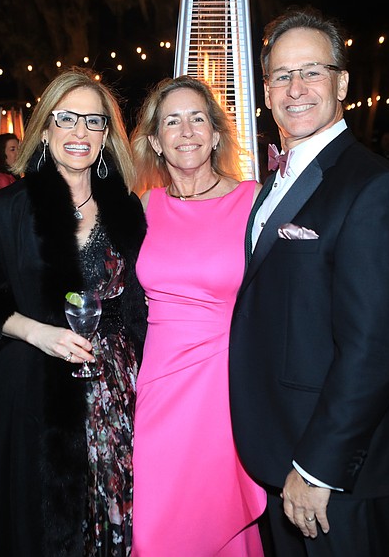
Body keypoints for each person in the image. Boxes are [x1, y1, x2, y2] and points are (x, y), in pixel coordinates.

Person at [228, 7, 389, 556]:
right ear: (265, 92)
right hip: (278, 446)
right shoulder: (272, 182)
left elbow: (376, 349)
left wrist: (317, 468)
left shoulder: (374, 189)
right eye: (282, 76)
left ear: (341, 81)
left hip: (337, 470)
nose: (296, 89)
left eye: (312, 72)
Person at [0, 68, 147, 556]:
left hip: (119, 388)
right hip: (35, 385)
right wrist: (37, 332)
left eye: (93, 121)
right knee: (43, 519)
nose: (79, 133)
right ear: (45, 128)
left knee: (118, 505)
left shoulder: (129, 209)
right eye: (66, 118)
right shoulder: (7, 208)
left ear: (107, 135)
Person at [129, 75, 266, 555]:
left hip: (224, 387)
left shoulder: (252, 202)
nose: (186, 131)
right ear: (155, 141)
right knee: (152, 528)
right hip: (159, 384)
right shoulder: (145, 206)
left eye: (197, 119)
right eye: (172, 121)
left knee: (220, 516)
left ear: (214, 134)